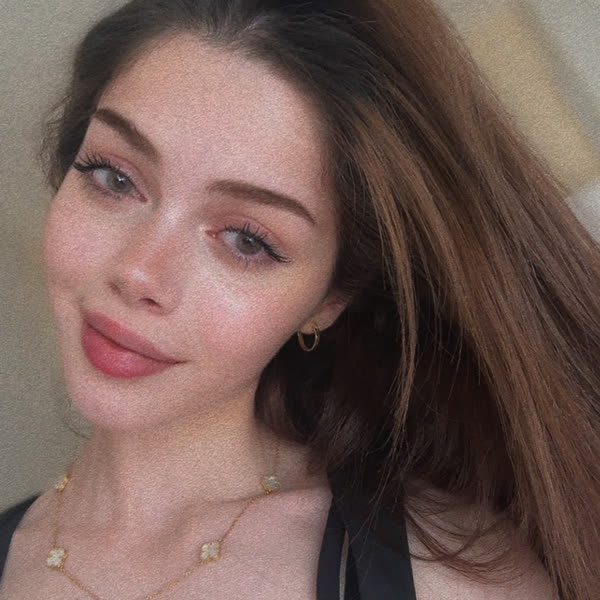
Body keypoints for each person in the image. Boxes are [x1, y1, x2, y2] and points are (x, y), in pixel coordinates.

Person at [1, 0, 598, 598]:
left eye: (247, 240)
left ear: (329, 298)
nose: (138, 273)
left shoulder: (448, 581)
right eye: (114, 177)